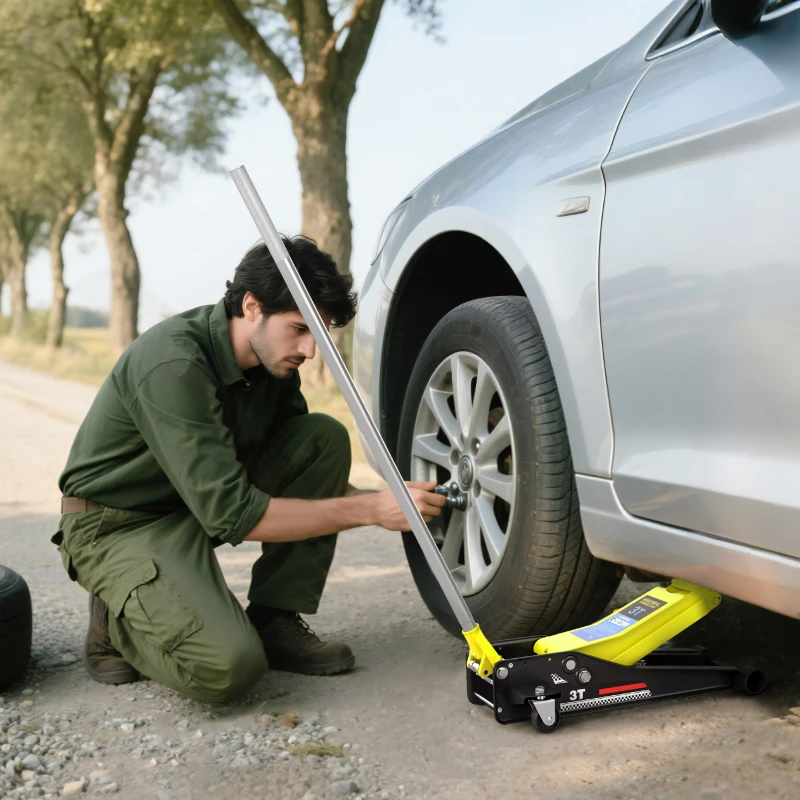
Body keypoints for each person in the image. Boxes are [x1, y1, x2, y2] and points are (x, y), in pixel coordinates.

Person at [53, 235, 446, 703]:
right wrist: (368, 511)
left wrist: (391, 499)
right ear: (252, 306)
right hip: (117, 524)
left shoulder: (272, 364)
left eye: (318, 335)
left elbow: (306, 480)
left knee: (323, 438)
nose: (310, 350)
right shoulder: (175, 363)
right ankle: (119, 612)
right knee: (228, 670)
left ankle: (274, 620)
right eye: (300, 329)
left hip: (192, 504)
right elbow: (235, 516)